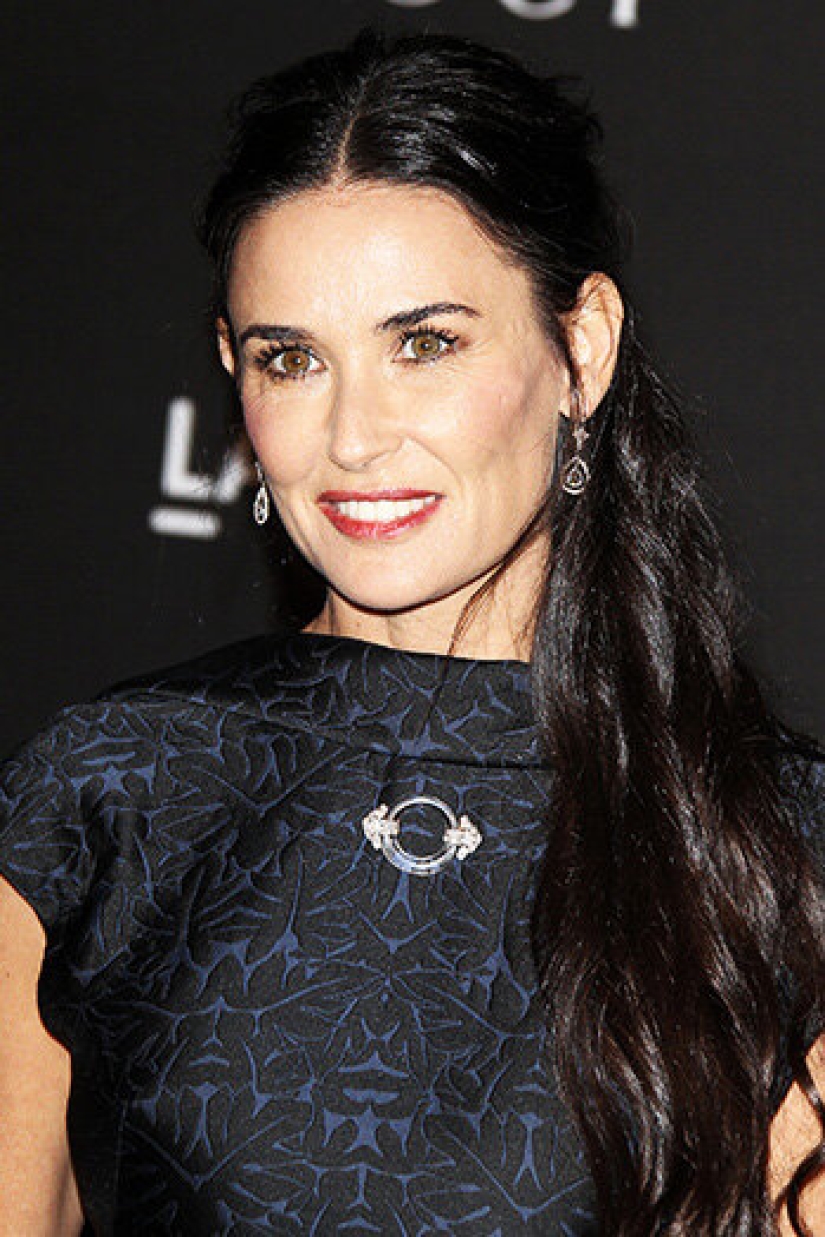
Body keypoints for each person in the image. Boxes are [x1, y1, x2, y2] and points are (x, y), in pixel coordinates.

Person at [0, 29, 823, 1237]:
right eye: (292, 360)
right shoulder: (108, 798)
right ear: (234, 370)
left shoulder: (776, 846)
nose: (353, 436)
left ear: (581, 348)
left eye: (424, 344)